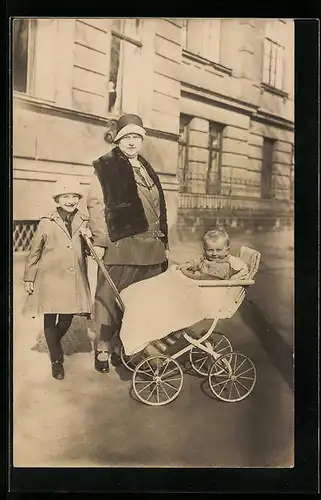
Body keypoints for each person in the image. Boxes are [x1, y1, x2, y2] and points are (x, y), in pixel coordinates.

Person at [87, 113, 169, 373]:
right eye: (127, 137)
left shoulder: (146, 167)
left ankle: (129, 347)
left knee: (142, 302)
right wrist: (100, 240)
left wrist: (165, 241)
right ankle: (103, 348)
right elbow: (96, 205)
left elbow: (159, 208)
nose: (132, 142)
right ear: (118, 139)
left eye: (137, 137)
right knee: (110, 299)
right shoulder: (106, 166)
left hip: (151, 248)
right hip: (122, 246)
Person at [22, 179, 92, 380]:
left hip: (74, 277)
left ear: (78, 199)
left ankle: (53, 342)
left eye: (74, 196)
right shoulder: (47, 221)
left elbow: (88, 251)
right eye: (65, 196)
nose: (70, 200)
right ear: (57, 200)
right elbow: (35, 251)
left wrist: (89, 239)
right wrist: (30, 277)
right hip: (50, 276)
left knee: (67, 318)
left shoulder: (84, 220)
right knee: (50, 316)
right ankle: (56, 360)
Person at [178, 228, 248, 280]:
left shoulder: (230, 261)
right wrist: (188, 264)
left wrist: (234, 278)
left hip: (220, 287)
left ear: (227, 251)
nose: (214, 254)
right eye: (210, 250)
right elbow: (196, 262)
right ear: (205, 250)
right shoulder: (205, 259)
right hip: (201, 283)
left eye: (218, 250)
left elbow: (244, 269)